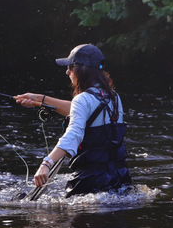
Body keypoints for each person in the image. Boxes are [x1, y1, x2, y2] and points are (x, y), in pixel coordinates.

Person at [14, 44, 132, 197]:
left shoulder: (82, 100)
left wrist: (46, 163)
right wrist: (39, 100)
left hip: (90, 182)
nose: (67, 71)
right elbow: (83, 112)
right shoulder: (114, 97)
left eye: (70, 67)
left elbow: (74, 133)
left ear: (82, 70)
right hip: (120, 179)